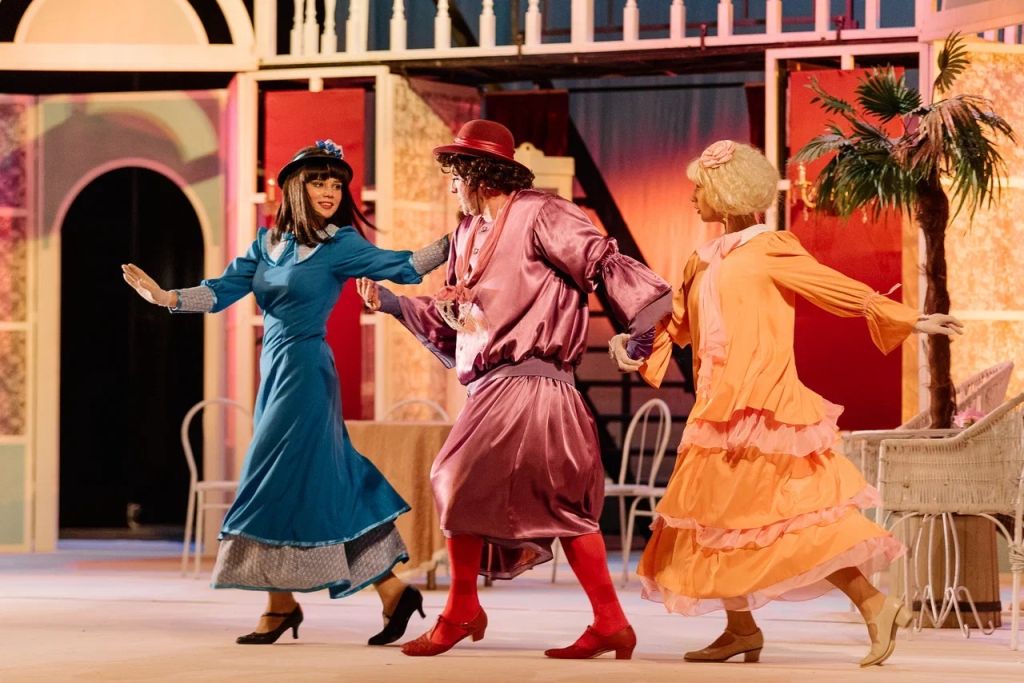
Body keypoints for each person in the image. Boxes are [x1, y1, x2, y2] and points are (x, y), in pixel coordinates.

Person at [607, 139, 963, 667]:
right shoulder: (700, 260)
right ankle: (741, 629)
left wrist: (910, 318)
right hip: (716, 411)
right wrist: (632, 346)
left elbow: (831, 287)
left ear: (725, 191)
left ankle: (875, 603)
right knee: (717, 522)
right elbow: (678, 325)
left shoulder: (770, 247)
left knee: (792, 524)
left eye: (699, 188)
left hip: (764, 408)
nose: (692, 198)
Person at [357, 119, 671, 658]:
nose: (451, 187)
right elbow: (457, 319)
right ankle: (610, 621)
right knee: (555, 502)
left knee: (457, 476)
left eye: (455, 175)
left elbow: (599, 260)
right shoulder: (466, 234)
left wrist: (642, 324)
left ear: (479, 174)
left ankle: (462, 610)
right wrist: (391, 303)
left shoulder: (540, 212)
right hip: (491, 386)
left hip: (535, 381)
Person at [121, 140, 450, 646]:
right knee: (329, 480)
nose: (329, 191)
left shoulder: (341, 244)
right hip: (274, 372)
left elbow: (403, 265)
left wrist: (458, 238)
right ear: (295, 187)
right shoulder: (265, 244)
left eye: (336, 184)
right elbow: (221, 290)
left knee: (268, 477)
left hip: (307, 374)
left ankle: (280, 605)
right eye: (319, 182)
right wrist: (167, 297)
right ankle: (388, 592)